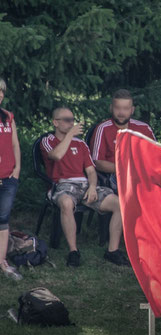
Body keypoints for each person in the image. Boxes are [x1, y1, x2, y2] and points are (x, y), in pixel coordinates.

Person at [40, 107, 128, 267]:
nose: (71, 123)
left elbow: (91, 171)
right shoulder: (48, 140)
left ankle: (112, 251)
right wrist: (70, 135)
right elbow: (56, 155)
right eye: (66, 120)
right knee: (66, 203)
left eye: (72, 120)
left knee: (120, 204)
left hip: (85, 185)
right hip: (62, 185)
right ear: (55, 123)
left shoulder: (81, 144)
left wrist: (93, 186)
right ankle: (73, 251)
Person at [90, 89, 155, 191]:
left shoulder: (144, 128)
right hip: (115, 176)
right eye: (117, 108)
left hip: (144, 175)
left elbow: (156, 156)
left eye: (125, 108)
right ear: (111, 108)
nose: (121, 113)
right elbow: (97, 162)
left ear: (132, 110)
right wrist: (127, 169)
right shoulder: (103, 129)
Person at [0, 78, 22, 280]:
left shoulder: (7, 117)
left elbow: (15, 145)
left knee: (3, 219)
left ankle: (2, 260)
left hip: (8, 177)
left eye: (1, 92)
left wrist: (17, 170)